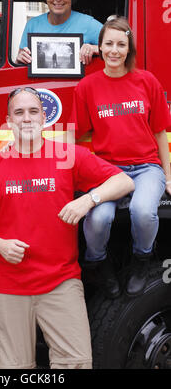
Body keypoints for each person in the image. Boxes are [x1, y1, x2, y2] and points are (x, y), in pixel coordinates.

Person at [0, 86, 134, 369]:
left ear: (44, 117)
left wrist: (88, 201)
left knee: (76, 364)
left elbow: (124, 181)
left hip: (61, 283)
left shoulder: (68, 156)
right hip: (10, 286)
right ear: (8, 121)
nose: (26, 118)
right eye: (19, 112)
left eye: (33, 111)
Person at [71, 16, 171, 299]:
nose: (114, 50)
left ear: (129, 49)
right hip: (109, 171)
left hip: (147, 168)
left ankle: (142, 260)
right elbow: (74, 136)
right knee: (98, 218)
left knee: (143, 211)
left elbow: (160, 132)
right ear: (99, 48)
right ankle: (98, 264)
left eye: (121, 44)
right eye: (109, 44)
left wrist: (169, 175)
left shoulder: (147, 81)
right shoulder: (87, 87)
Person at [16, 0, 102, 66]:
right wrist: (20, 59)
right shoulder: (33, 24)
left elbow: (120, 46)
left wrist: (95, 48)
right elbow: (19, 62)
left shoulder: (88, 24)